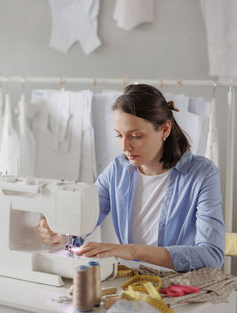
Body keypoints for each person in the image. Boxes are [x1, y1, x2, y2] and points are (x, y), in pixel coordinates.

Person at [36, 84, 225, 272]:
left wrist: (130, 251)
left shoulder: (202, 175)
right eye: (119, 135)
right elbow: (85, 219)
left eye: (135, 136)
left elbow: (211, 256)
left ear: (165, 129)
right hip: (135, 283)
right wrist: (58, 232)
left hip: (182, 287)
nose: (125, 147)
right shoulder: (117, 171)